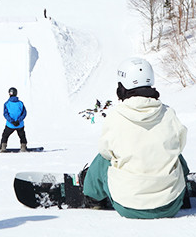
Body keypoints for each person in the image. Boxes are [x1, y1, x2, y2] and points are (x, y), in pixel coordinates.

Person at [80, 57, 189, 219]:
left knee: (104, 159)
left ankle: (93, 196)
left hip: (128, 206)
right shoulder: (168, 113)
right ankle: (182, 188)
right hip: (171, 205)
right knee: (174, 153)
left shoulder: (116, 116)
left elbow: (105, 151)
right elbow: (179, 145)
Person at [0, 87, 27, 152]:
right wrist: (18, 121)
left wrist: (12, 121)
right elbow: (24, 113)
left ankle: (3, 147)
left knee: (5, 135)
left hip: (10, 125)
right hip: (19, 125)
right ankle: (23, 147)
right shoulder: (20, 103)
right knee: (22, 136)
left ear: (9, 94)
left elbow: (5, 114)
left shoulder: (7, 103)